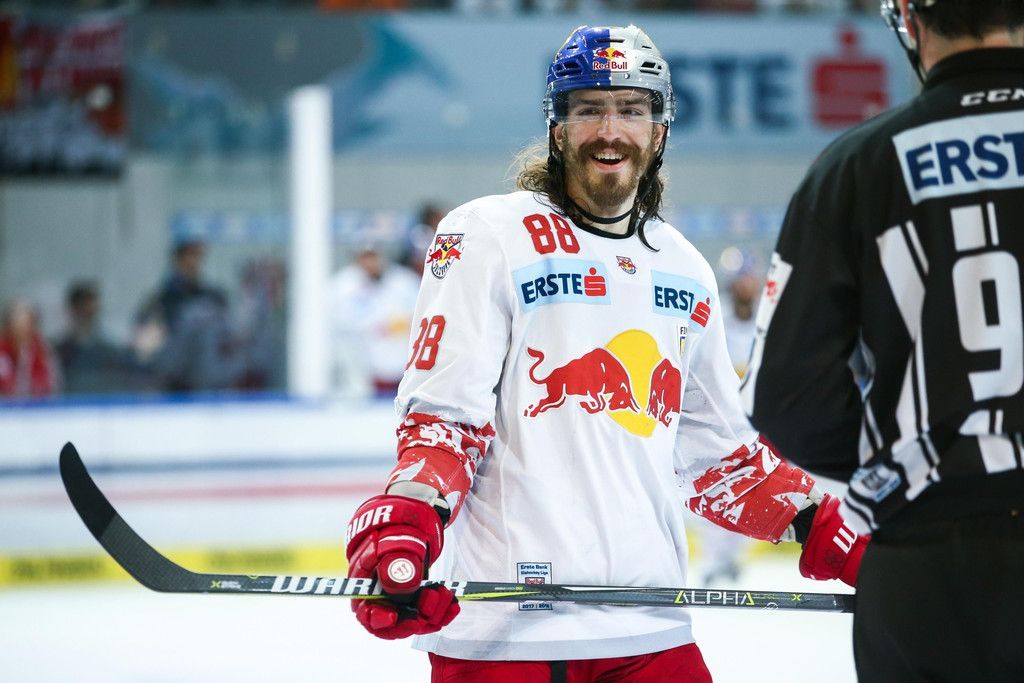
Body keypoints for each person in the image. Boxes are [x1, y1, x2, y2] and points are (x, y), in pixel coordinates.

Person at [345, 25, 866, 681]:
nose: (610, 130)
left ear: (660, 129)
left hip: (648, 625)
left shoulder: (685, 268)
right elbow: (445, 419)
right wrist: (410, 518)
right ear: (557, 127)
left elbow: (718, 458)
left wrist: (835, 533)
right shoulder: (487, 234)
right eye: (589, 108)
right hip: (507, 634)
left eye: (632, 108)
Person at [741, 2, 1024, 679]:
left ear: (910, 21)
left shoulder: (856, 165)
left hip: (929, 560)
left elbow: (783, 397)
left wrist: (900, 460)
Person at [329, 243, 420, 396]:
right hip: (365, 368)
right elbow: (343, 325)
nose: (370, 262)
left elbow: (421, 313)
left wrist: (395, 325)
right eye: (366, 257)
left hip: (405, 364)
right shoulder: (344, 286)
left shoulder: (405, 281)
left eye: (374, 256)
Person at [54, 281, 132, 395]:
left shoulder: (110, 352)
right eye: (84, 312)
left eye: (92, 312)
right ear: (73, 311)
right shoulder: (59, 352)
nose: (88, 318)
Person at [0, 299, 60, 398]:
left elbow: (52, 383)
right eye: (17, 325)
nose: (22, 331)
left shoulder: (42, 348)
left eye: (27, 325)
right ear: (8, 326)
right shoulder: (2, 349)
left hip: (35, 405)